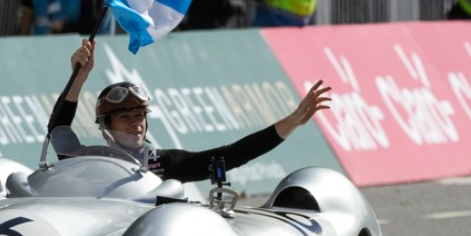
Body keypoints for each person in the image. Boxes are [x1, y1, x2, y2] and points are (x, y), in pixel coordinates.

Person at [48, 40, 332, 183]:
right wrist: (80, 77)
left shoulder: (165, 163)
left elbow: (234, 154)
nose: (135, 124)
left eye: (139, 116)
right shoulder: (87, 160)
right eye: (124, 117)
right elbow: (58, 131)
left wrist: (293, 120)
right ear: (106, 125)